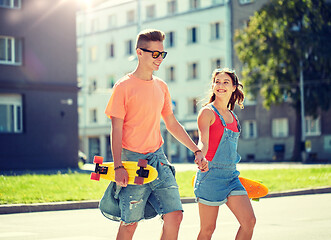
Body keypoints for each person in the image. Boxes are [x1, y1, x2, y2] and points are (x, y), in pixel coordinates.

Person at [102, 29, 208, 240]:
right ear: (139, 52)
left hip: (158, 159)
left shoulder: (161, 86)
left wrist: (196, 149)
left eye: (162, 54)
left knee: (175, 215)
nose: (159, 59)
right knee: (130, 222)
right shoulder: (123, 86)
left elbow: (171, 123)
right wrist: (118, 166)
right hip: (132, 161)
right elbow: (116, 129)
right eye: (155, 54)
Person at [194, 68, 256, 240]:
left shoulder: (233, 117)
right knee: (207, 230)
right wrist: (201, 155)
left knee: (249, 221)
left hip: (231, 177)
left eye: (226, 82)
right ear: (213, 86)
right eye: (217, 81)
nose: (220, 85)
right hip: (210, 176)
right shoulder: (207, 112)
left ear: (234, 87)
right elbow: (203, 141)